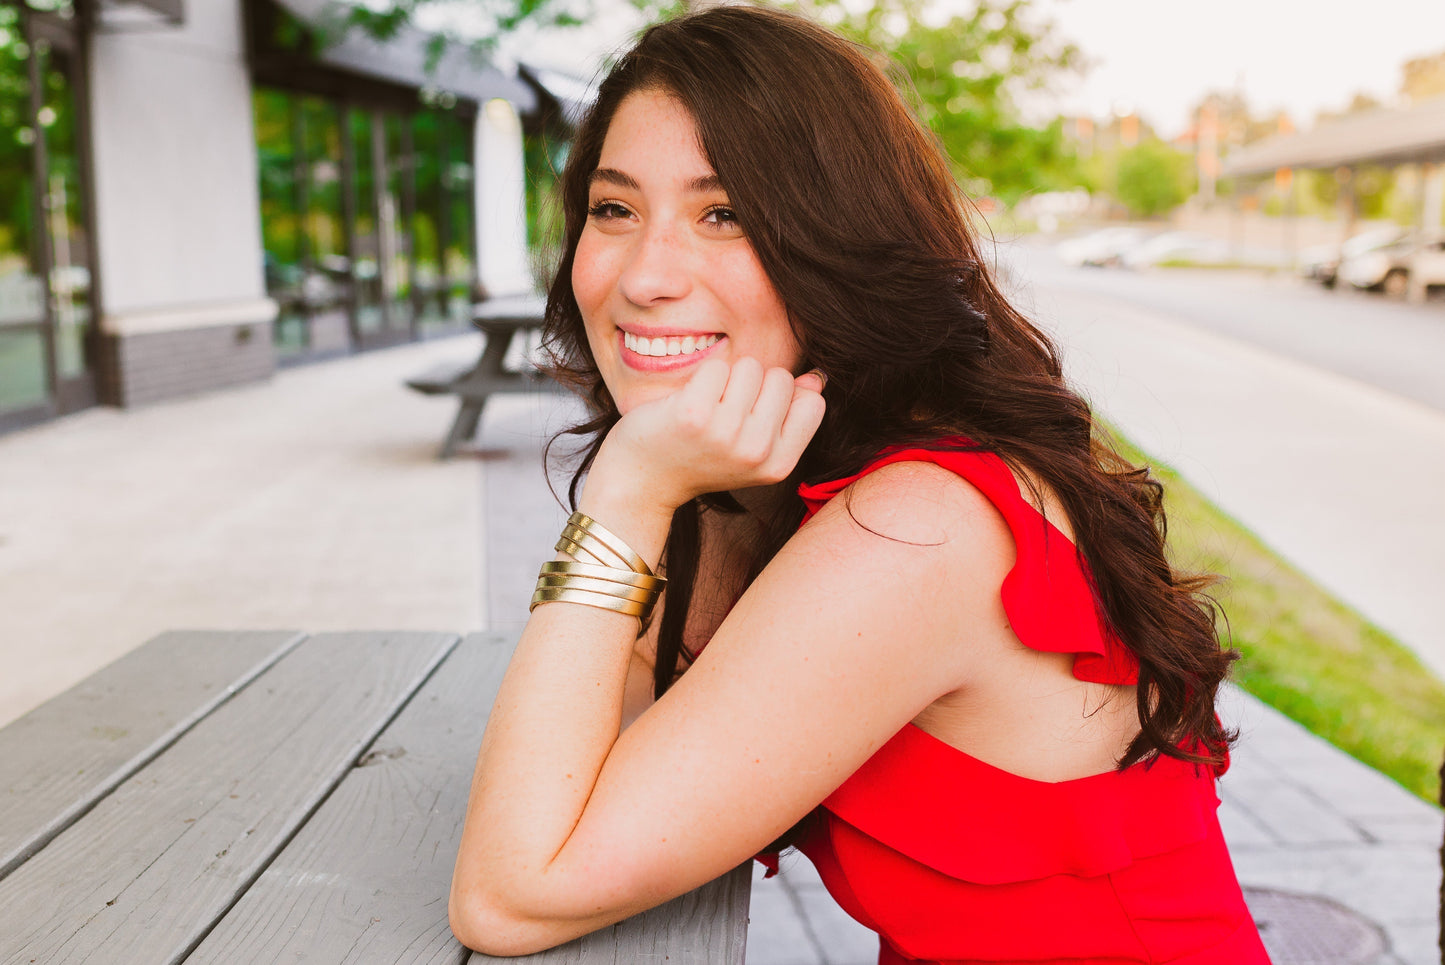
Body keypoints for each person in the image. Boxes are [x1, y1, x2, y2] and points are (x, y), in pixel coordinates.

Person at [448, 7, 1271, 963]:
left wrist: (627, 494)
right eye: (613, 208)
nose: (644, 276)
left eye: (726, 215)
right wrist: (659, 488)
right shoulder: (763, 474)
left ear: (838, 241)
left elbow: (510, 894)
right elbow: (587, 765)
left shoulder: (916, 526)